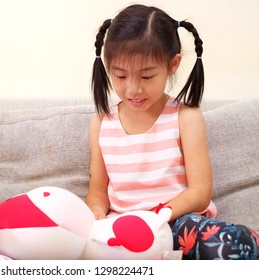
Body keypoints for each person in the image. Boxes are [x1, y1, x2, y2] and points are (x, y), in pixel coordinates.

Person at [86, 4, 259, 260]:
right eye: (120, 76)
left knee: (226, 245)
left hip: (177, 224)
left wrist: (158, 216)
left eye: (146, 77)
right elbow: (98, 191)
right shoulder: (102, 124)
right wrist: (95, 216)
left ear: (173, 64)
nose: (133, 89)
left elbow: (200, 193)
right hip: (124, 229)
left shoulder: (185, 117)